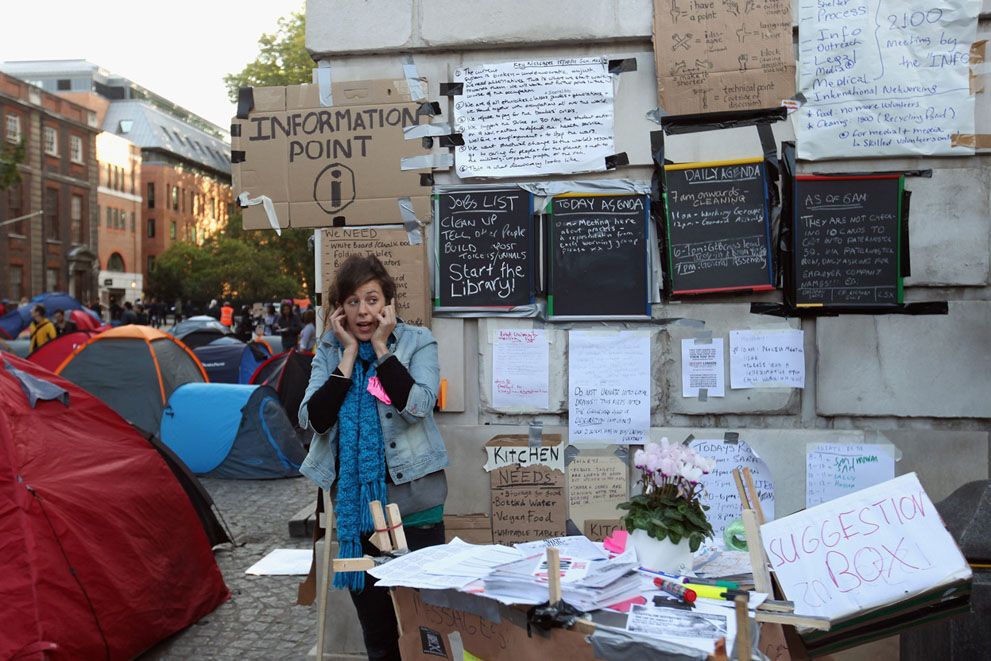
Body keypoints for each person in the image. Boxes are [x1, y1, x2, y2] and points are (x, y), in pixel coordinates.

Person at [299, 254, 448, 661]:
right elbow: (314, 417)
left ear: (387, 303)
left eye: (371, 299)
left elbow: (417, 406)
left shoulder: (418, 342)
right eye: (351, 301)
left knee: (421, 622)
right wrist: (346, 358)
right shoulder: (329, 350)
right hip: (356, 511)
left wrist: (382, 350)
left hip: (414, 504)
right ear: (339, 310)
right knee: (378, 631)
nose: (363, 311)